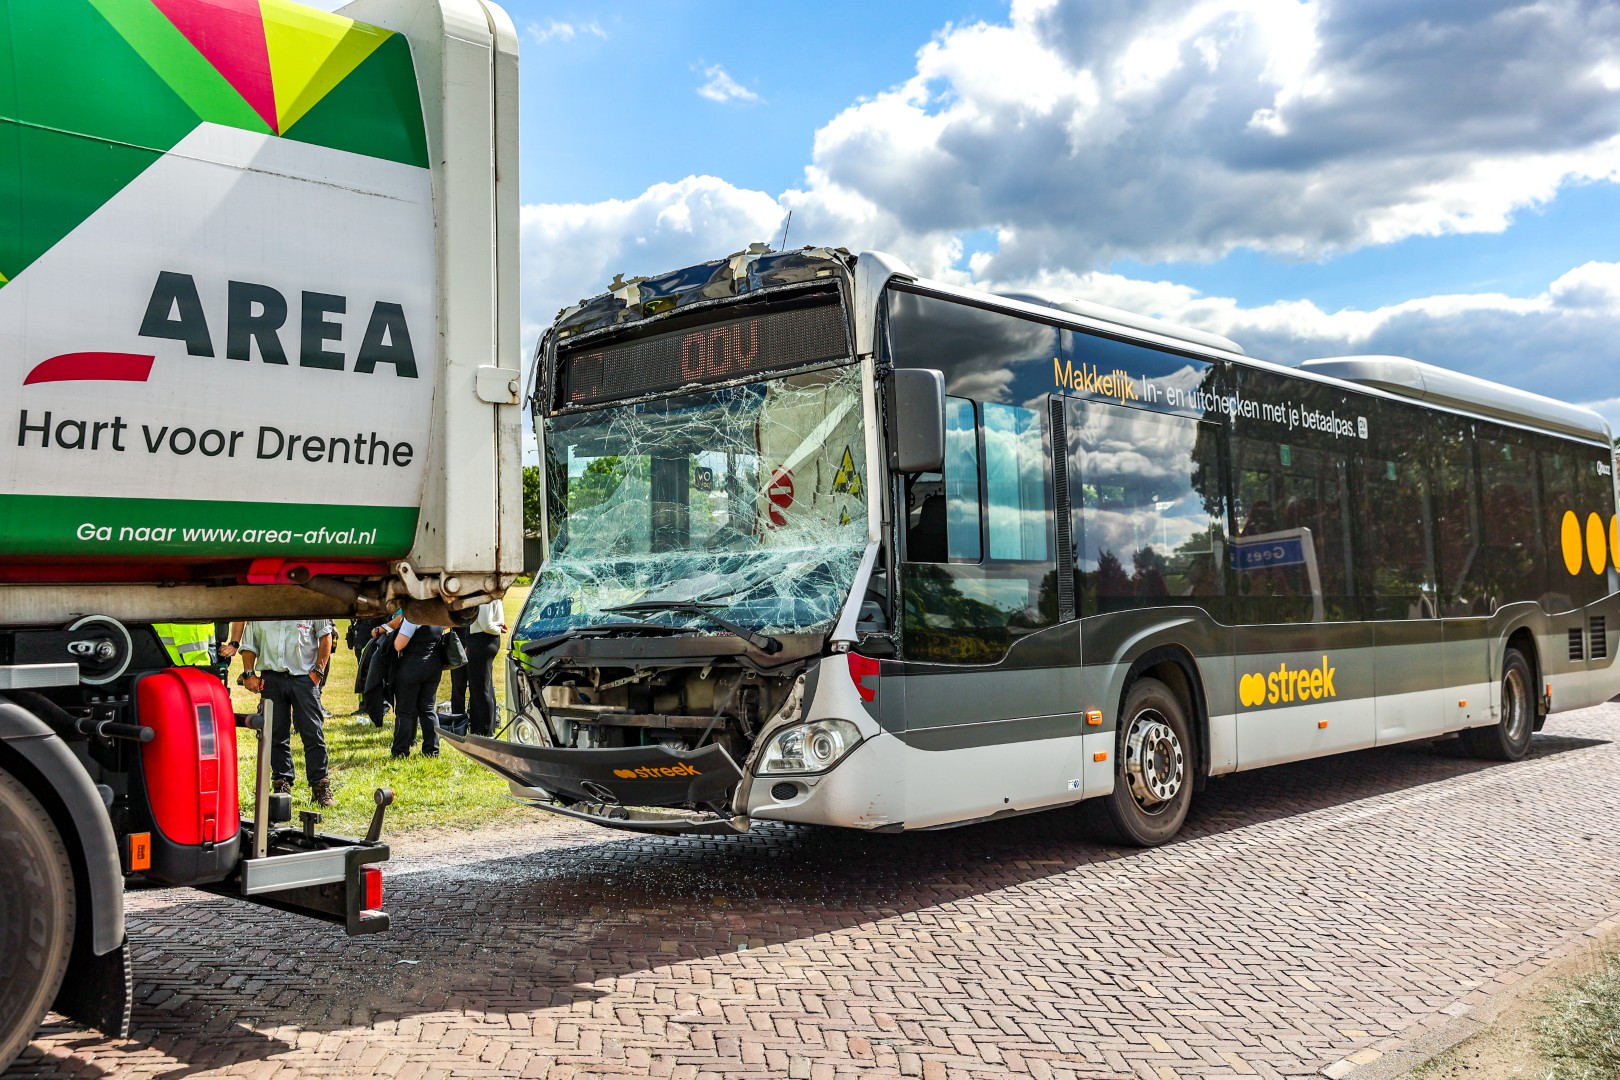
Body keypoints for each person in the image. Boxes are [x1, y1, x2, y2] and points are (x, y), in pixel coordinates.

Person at [239, 620, 336, 807]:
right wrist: (249, 673)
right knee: (275, 734)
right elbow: (249, 643)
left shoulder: (309, 602)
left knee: (312, 732)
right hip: (272, 679)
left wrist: (318, 672)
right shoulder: (261, 609)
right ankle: (282, 784)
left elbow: (326, 635)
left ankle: (320, 786)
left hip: (304, 679)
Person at [390, 616, 445, 758]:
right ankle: (432, 750)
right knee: (428, 709)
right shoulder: (439, 616)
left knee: (405, 711)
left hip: (412, 665)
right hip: (433, 665)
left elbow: (398, 645)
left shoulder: (412, 619)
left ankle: (401, 750)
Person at [450, 599, 506, 737]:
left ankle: (482, 729)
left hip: (481, 640)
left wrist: (498, 629)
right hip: (483, 640)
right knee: (484, 687)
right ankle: (486, 726)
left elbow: (485, 624)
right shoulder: (494, 596)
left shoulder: (484, 598)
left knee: (479, 689)